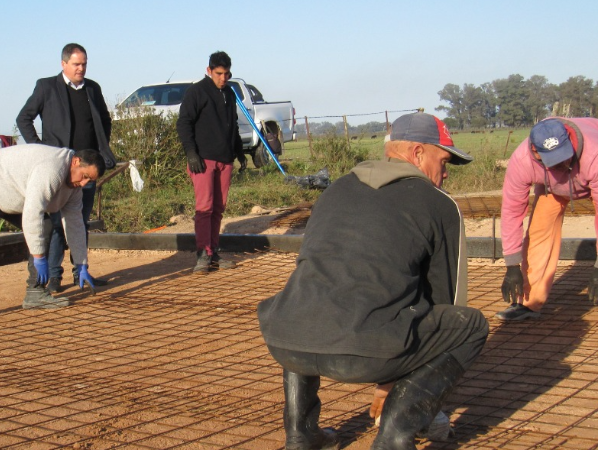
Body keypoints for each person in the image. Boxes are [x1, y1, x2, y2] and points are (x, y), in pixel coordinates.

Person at [257, 112, 489, 449]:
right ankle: (395, 437)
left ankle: (301, 434)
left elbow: (312, 271)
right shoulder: (439, 205)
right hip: (365, 351)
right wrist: (393, 381)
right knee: (470, 326)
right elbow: (445, 303)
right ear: (418, 153)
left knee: (306, 303)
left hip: (284, 341)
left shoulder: (336, 189)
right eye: (444, 159)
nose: (447, 170)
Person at [0, 146, 106, 327]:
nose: (84, 183)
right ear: (76, 162)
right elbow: (33, 214)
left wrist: (81, 263)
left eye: (90, 181)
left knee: (47, 226)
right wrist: (39, 258)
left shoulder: (75, 188)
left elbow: (75, 224)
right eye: (85, 176)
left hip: (10, 195)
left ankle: (35, 293)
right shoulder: (51, 171)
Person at [17, 43, 116, 293]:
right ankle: (53, 277)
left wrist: (102, 149)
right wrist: (40, 151)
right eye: (76, 64)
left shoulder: (93, 88)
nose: (81, 68)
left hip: (87, 170)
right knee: (55, 226)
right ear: (63, 64)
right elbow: (24, 118)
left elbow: (104, 119)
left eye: (84, 64)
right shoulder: (46, 87)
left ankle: (79, 272)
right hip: (60, 171)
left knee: (79, 222)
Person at [498, 117, 598, 321]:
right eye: (554, 160)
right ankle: (528, 303)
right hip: (552, 187)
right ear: (535, 152)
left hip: (590, 173)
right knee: (537, 233)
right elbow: (511, 212)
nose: (563, 163)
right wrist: (512, 265)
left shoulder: (593, 154)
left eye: (564, 156)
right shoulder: (522, 161)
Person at [176, 51, 244, 273]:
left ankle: (213, 251)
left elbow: (231, 124)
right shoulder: (196, 92)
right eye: (219, 73)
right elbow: (184, 123)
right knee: (204, 207)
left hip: (225, 159)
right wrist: (191, 153)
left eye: (226, 74)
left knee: (218, 208)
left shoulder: (230, 94)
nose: (223, 78)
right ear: (209, 70)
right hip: (203, 160)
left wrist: (239, 151)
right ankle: (202, 254)